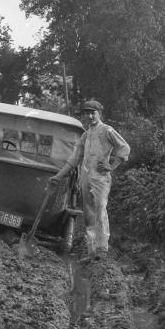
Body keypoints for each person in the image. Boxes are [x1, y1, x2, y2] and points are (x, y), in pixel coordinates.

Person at [48, 99, 130, 258]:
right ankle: (92, 252)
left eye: (93, 113)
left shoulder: (107, 131)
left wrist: (111, 166)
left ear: (100, 114)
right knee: (88, 215)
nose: (90, 116)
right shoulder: (85, 135)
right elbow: (74, 159)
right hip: (86, 178)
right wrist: (57, 177)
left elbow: (124, 148)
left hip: (101, 179)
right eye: (87, 114)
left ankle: (102, 250)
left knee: (100, 210)